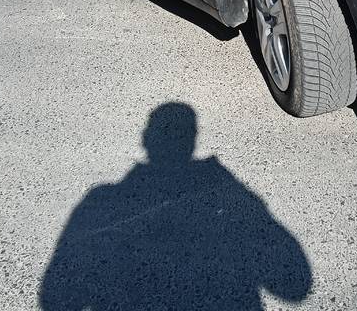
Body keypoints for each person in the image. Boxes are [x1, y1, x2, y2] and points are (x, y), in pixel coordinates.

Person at [39, 103, 312, 310]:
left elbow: (54, 296)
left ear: (145, 139)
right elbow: (295, 286)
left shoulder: (100, 199)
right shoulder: (228, 193)